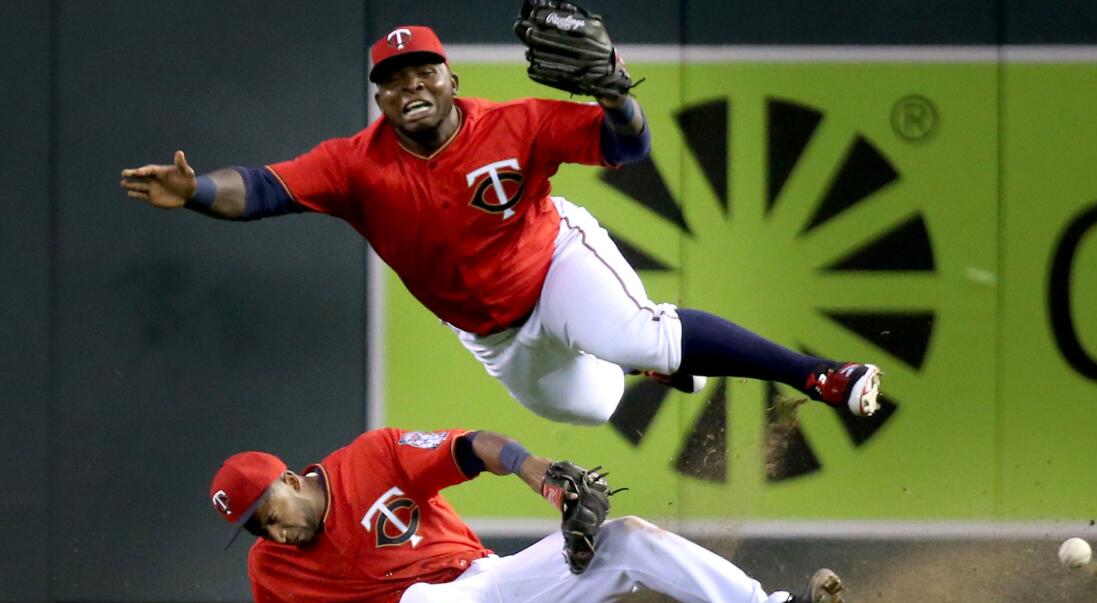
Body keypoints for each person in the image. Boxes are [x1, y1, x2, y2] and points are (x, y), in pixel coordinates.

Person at [123, 23, 882, 427]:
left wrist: (619, 96)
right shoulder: (354, 164)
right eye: (392, 80)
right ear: (380, 100)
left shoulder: (513, 123)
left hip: (552, 261)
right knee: (592, 406)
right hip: (489, 333)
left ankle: (819, 374)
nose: (409, 84)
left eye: (423, 71)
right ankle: (649, 366)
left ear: (452, 79)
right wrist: (194, 191)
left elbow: (630, 144)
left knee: (638, 334)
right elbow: (258, 189)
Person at [209, 425, 845, 603]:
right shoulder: (272, 571)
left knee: (625, 538)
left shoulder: (370, 459)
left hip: (496, 586)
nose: (272, 531)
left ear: (290, 480)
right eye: (256, 528)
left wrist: (540, 474)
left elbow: (473, 445)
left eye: (268, 512)